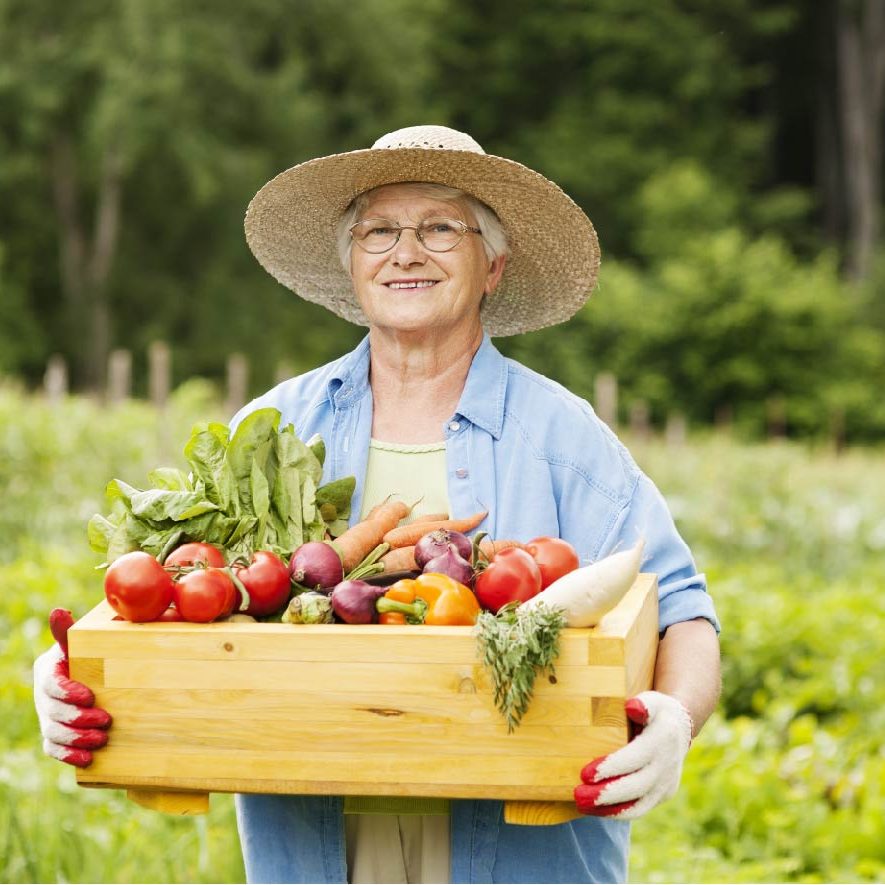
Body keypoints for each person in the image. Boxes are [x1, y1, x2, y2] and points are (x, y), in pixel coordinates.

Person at [34, 125, 721, 884]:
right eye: (379, 231)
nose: (405, 252)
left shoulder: (561, 436)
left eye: (438, 228)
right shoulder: (278, 427)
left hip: (521, 848)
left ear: (492, 265)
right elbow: (172, 595)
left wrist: (674, 719)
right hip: (315, 844)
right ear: (351, 265)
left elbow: (683, 611)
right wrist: (70, 673)